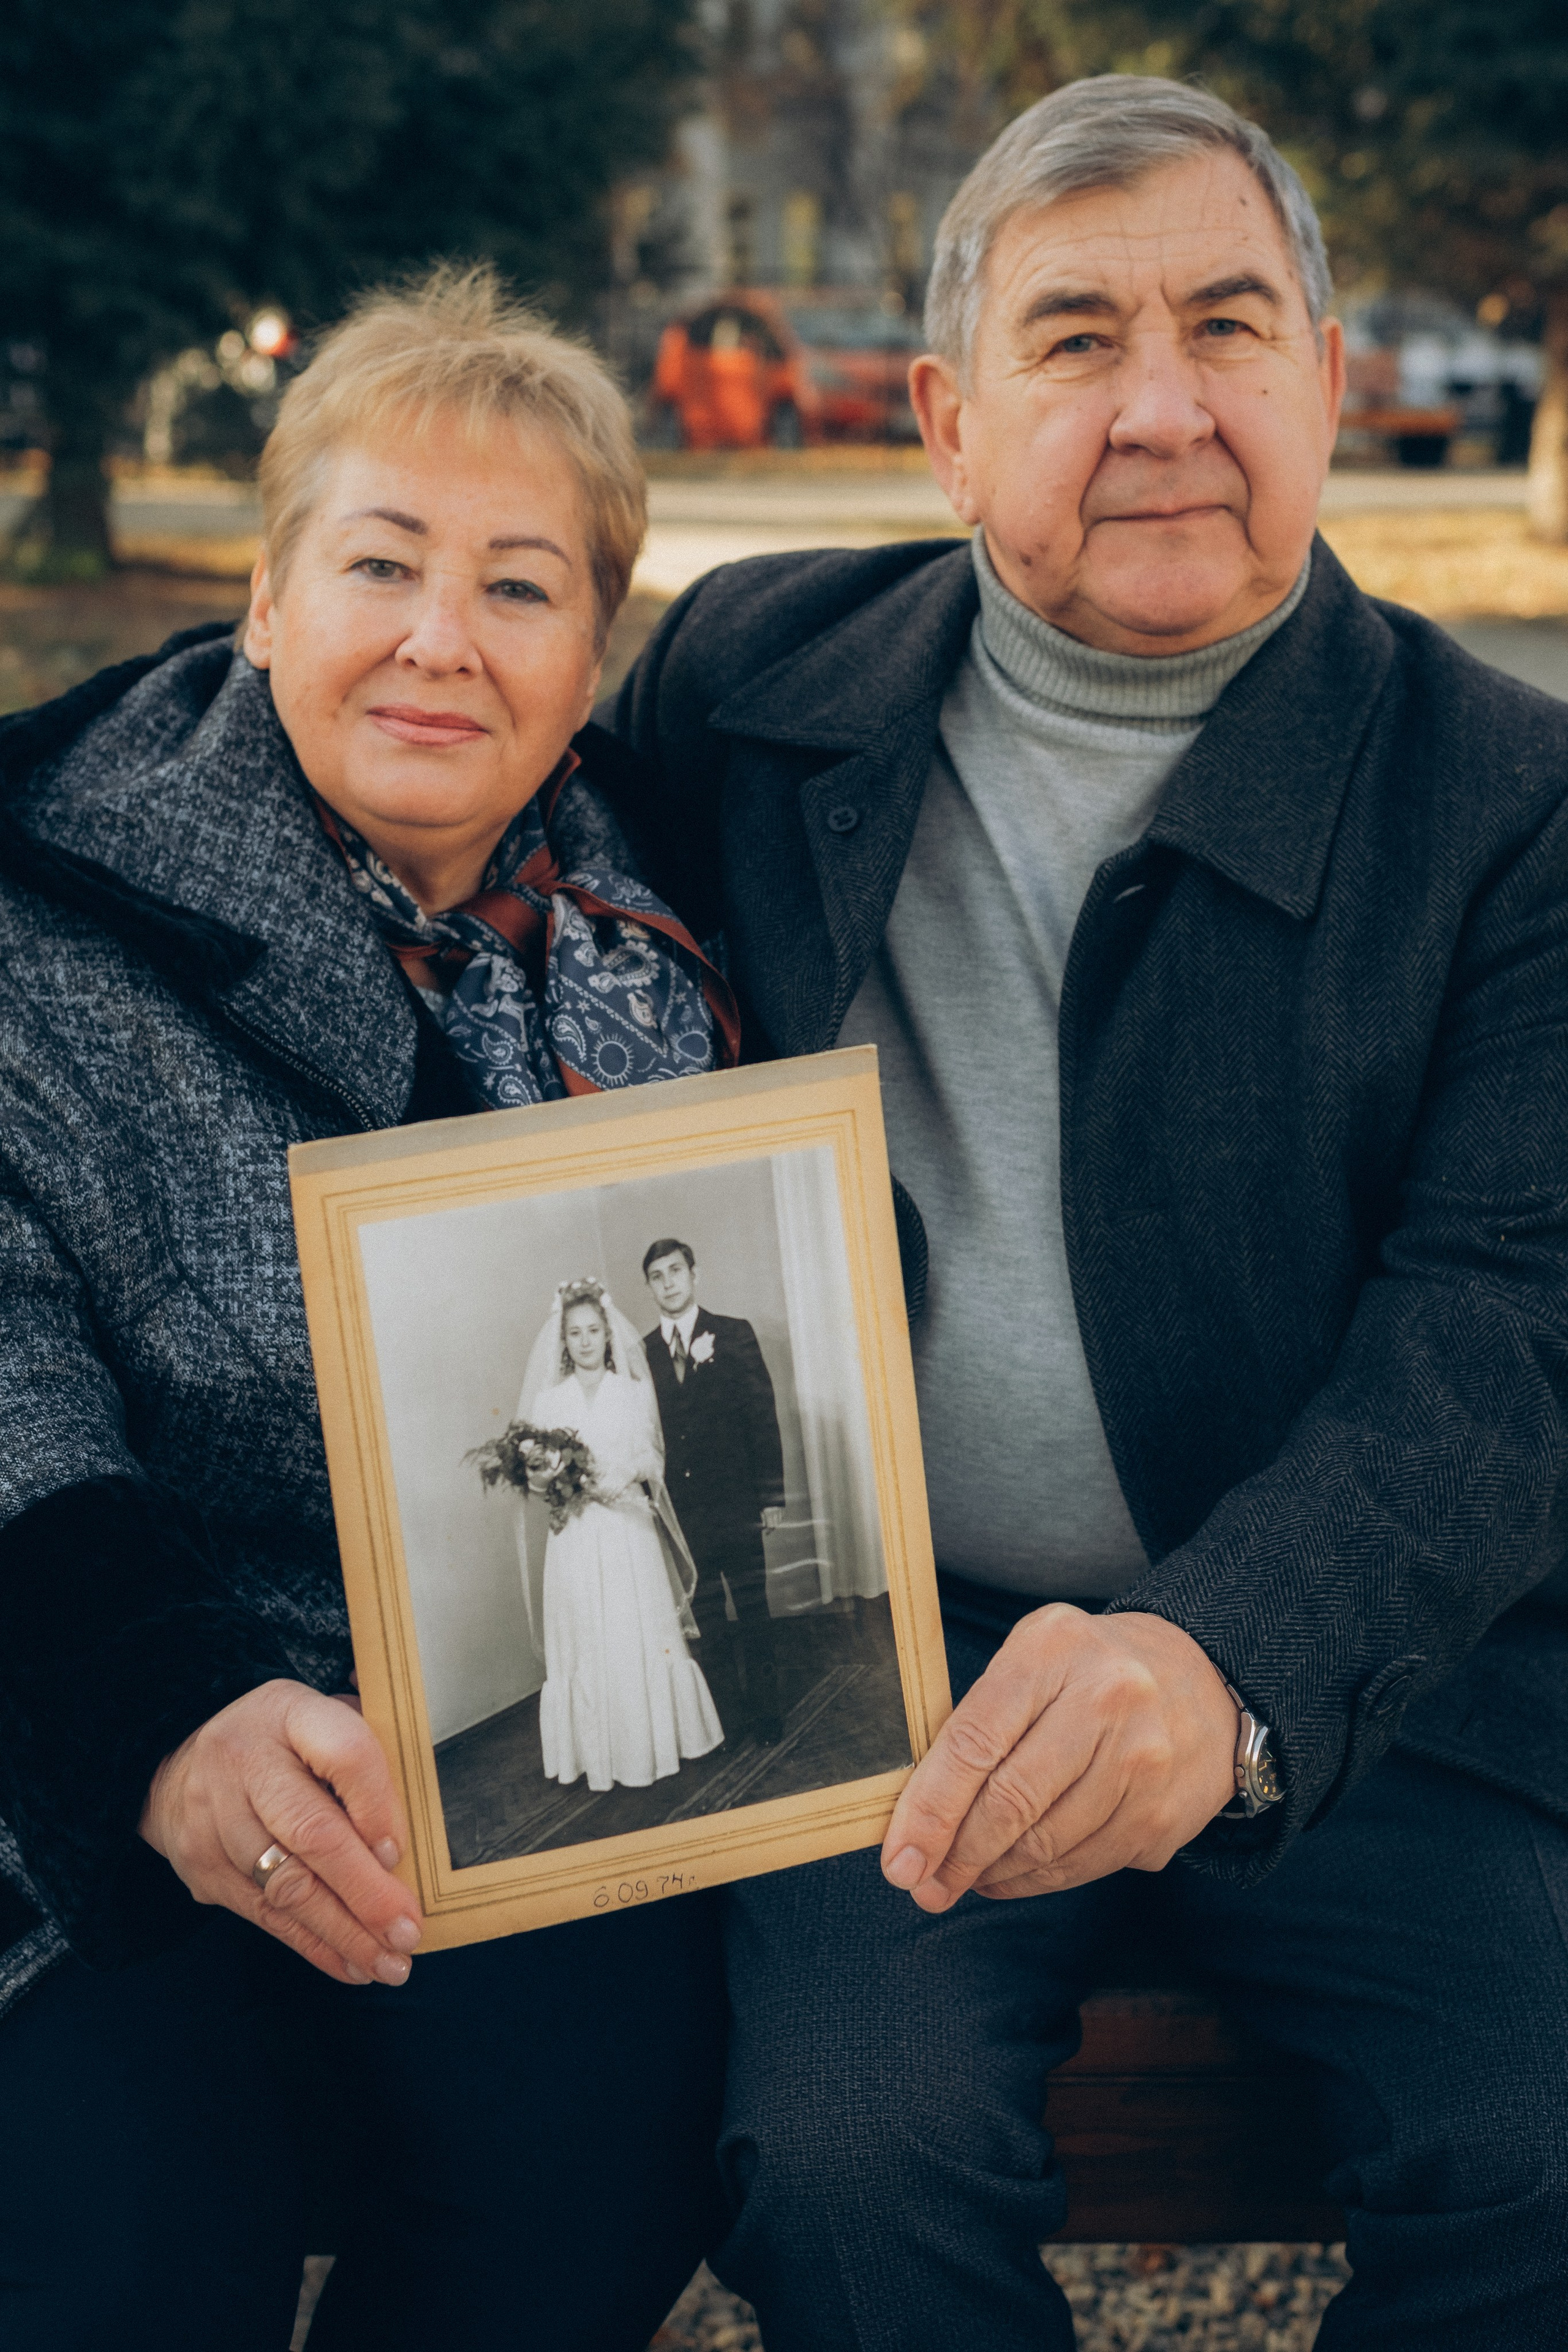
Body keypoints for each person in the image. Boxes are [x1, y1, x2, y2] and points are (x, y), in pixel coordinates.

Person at [615, 77, 1568, 2352]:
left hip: (1383, 1672)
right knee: (840, 2155)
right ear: (944, 424)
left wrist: (1214, 1659)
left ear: (1322, 383)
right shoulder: (744, 686)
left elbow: (1503, 1328)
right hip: (886, 1667)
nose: (1158, 407)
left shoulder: (1509, 802)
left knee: (1534, 2154)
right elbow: (411, 775)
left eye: (1225, 326)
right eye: (1072, 339)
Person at [0, 264, 737, 2351]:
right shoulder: (51, 899)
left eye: (519, 586)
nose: (439, 637)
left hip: (483, 1744)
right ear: (262, 601)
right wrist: (157, 1708)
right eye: (381, 561)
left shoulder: (654, 939)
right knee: (135, 2233)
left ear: (593, 657)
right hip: (72, 1723)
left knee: (604, 2149)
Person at [522, 1277, 723, 1789]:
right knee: (587, 1631)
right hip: (575, 1534)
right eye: (575, 1333)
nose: (586, 1341)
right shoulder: (549, 1400)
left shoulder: (632, 1391)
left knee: (635, 1628)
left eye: (594, 1331)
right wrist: (550, 1475)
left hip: (625, 1528)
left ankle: (654, 1744)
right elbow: (533, 1472)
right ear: (563, 1341)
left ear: (609, 1335)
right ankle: (595, 1754)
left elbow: (651, 1456)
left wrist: (614, 1480)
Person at [643, 1238, 788, 1743]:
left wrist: (770, 1496)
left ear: (694, 1274)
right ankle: (725, 1718)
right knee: (706, 1618)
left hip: (738, 1503)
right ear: (650, 1288)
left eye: (676, 1271)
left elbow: (761, 1417)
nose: (669, 1282)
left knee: (752, 1609)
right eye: (658, 1276)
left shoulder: (733, 1334)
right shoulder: (641, 1355)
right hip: (685, 1514)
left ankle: (769, 1716)